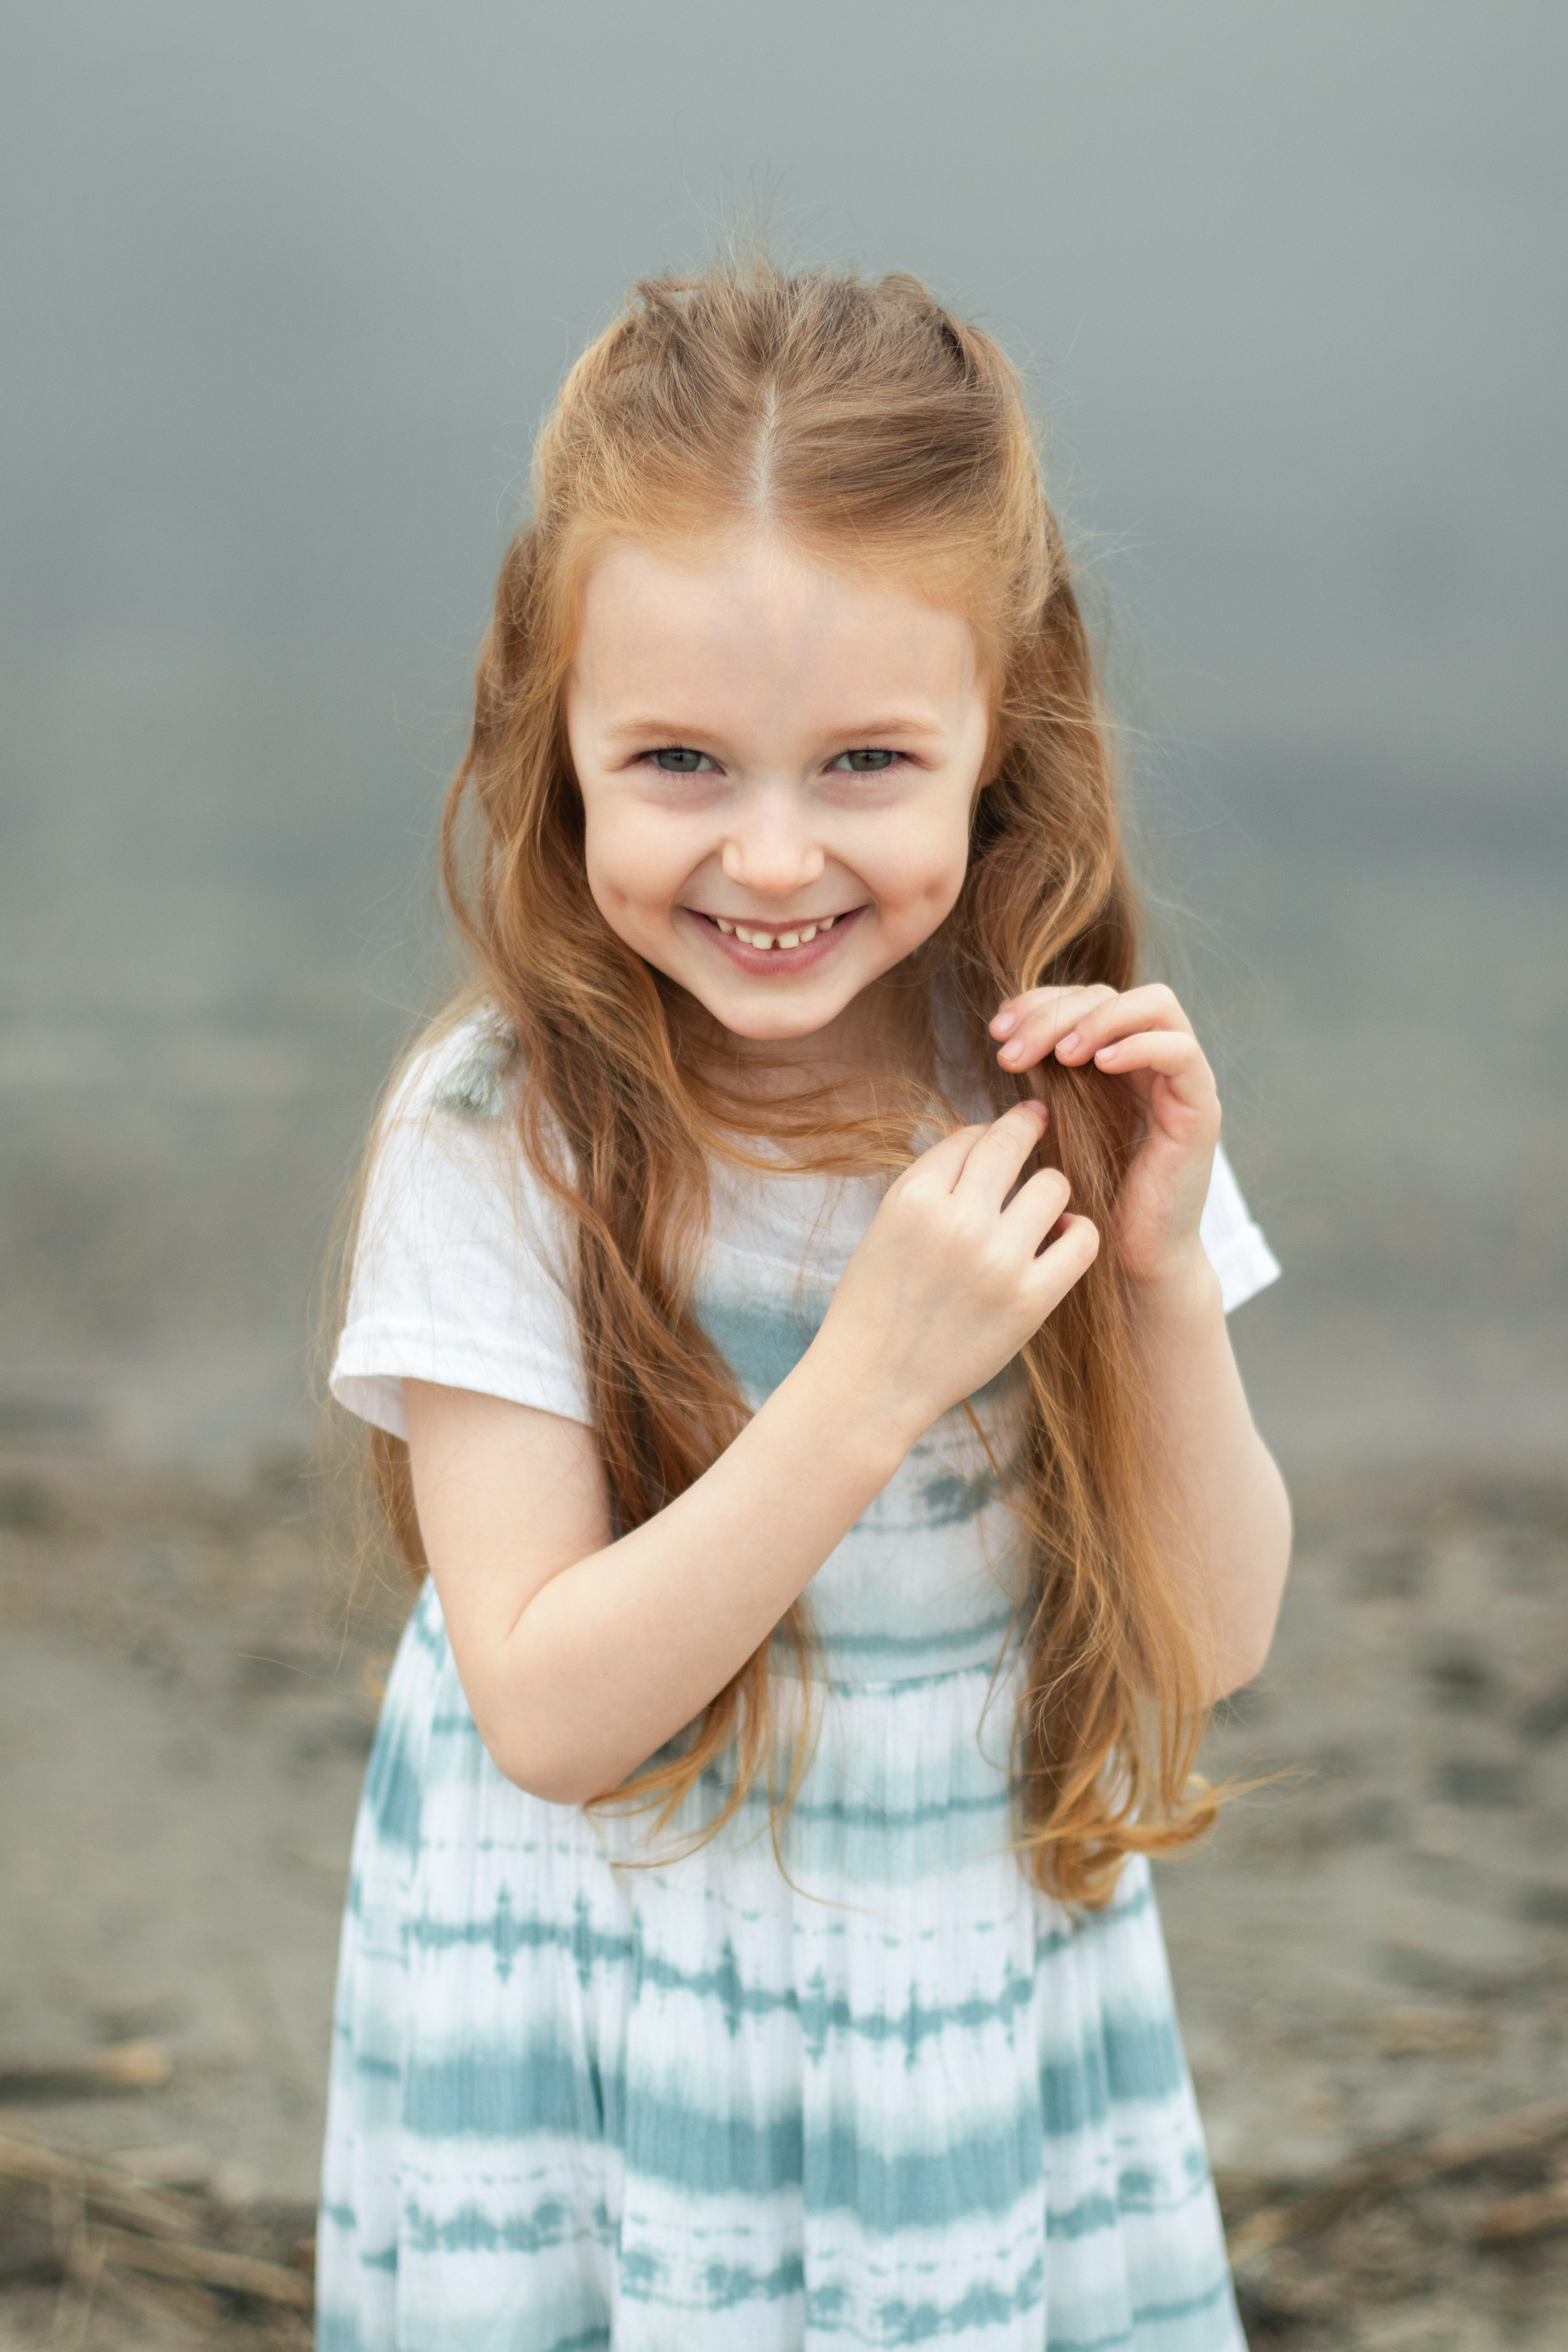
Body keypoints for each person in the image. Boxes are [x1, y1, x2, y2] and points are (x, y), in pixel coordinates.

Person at [317, 257, 1291, 2352]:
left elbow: (1212, 1640)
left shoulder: (1053, 1088)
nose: (772, 860)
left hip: (953, 1963)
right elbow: (551, 1715)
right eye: (681, 759)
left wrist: (1158, 1281)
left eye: (864, 762)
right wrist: (869, 1382)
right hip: (604, 1992)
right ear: (555, 741)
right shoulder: (500, 1133)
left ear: (999, 740)